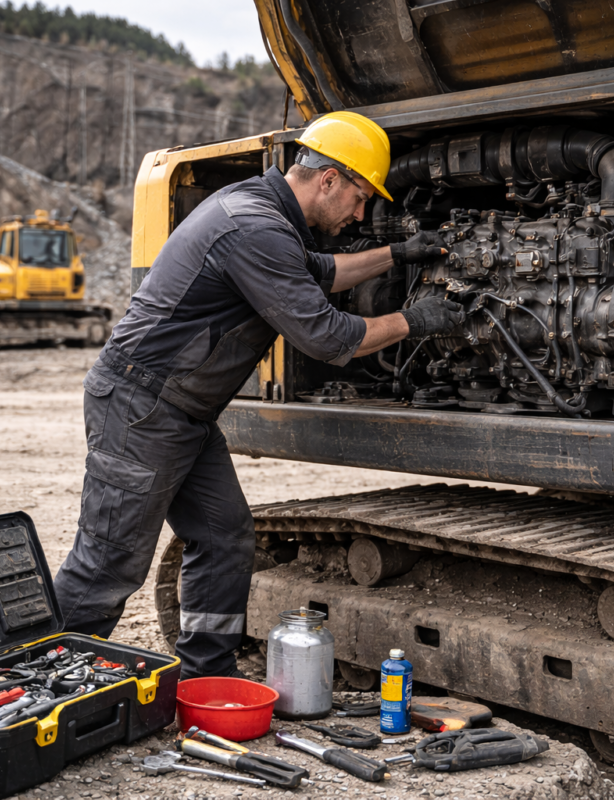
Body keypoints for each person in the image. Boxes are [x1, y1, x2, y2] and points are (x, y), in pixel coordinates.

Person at [53, 111, 463, 679]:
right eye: (361, 197)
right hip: (141, 406)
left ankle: (205, 677)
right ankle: (37, 683)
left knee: (223, 538)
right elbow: (327, 337)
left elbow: (319, 271)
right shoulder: (254, 226)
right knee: (109, 562)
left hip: (181, 410)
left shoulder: (266, 212)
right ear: (329, 180)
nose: (362, 213)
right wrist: (415, 322)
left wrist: (398, 255)